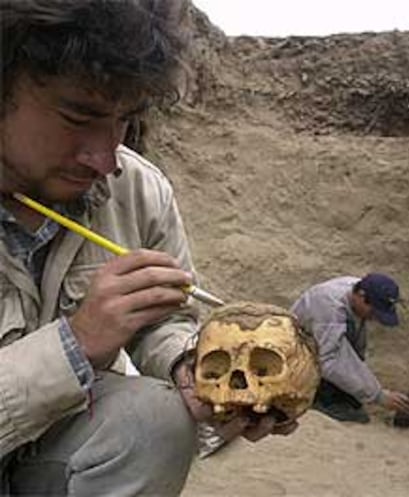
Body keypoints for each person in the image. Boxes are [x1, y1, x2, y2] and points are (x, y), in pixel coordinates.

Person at [0, 1, 297, 495]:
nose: (105, 158)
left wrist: (194, 366)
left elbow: (167, 319)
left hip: (47, 451)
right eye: (79, 116)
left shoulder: (137, 190)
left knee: (154, 418)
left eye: (125, 119)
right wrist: (72, 346)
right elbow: (81, 343)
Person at [290, 273, 409, 424]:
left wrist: (367, 388)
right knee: (357, 417)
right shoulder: (329, 306)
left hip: (322, 343)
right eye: (373, 311)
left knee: (354, 403)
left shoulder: (357, 290)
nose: (375, 317)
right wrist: (378, 395)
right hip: (298, 354)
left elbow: (353, 351)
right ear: (361, 295)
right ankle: (318, 399)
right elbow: (329, 360)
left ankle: (338, 395)